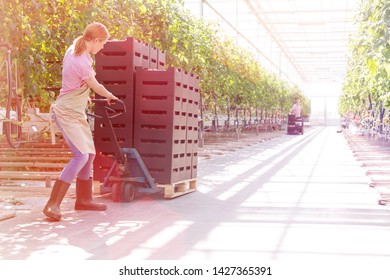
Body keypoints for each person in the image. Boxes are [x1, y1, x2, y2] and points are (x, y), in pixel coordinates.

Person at [43, 22, 118, 221]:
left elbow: (72, 80)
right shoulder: (81, 62)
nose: (102, 48)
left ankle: (84, 200)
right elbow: (95, 85)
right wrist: (111, 95)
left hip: (76, 111)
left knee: (90, 154)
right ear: (94, 41)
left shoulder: (76, 47)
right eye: (102, 44)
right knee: (81, 155)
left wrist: (80, 93)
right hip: (66, 112)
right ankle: (53, 204)